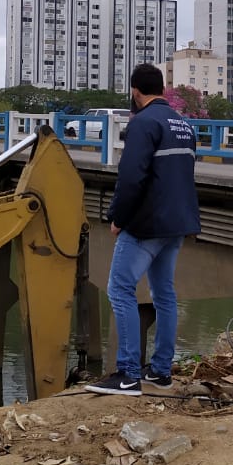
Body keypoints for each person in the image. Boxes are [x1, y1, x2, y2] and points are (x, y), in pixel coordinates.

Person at [86, 63, 200, 396]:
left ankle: (127, 374)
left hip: (147, 224)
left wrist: (117, 217)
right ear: (161, 89)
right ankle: (161, 371)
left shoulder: (142, 124)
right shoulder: (183, 125)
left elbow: (131, 178)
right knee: (164, 294)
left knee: (120, 290)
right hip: (177, 223)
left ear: (135, 91)